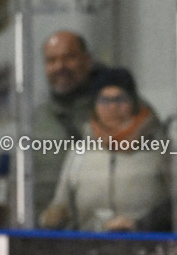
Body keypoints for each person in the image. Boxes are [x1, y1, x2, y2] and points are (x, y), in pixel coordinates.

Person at [40, 67, 170, 232]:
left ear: (134, 103)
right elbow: (61, 203)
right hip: (89, 247)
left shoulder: (161, 148)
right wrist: (53, 215)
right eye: (104, 100)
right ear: (94, 106)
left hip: (146, 244)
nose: (112, 107)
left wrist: (143, 224)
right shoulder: (80, 152)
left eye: (120, 99)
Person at [33, 31, 106, 221]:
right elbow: (19, 189)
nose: (60, 67)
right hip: (45, 236)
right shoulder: (35, 122)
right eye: (51, 60)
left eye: (69, 58)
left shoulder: (113, 111)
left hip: (99, 232)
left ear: (87, 61)